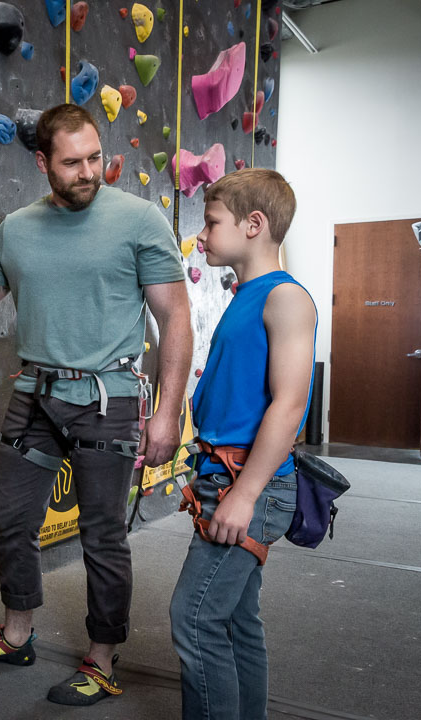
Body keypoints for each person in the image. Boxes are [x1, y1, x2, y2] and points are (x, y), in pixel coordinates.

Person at [0, 104, 192, 706]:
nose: (88, 172)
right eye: (72, 162)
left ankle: (104, 661)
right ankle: (16, 634)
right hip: (35, 396)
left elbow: (174, 316)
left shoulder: (139, 220)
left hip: (108, 400)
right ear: (42, 162)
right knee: (11, 521)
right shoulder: (17, 228)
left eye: (94, 158)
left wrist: (167, 411)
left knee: (102, 536)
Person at [169, 168, 316, 720]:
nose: (201, 236)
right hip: (223, 476)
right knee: (233, 619)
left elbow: (289, 403)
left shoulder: (285, 298)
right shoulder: (247, 294)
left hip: (246, 484)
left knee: (194, 617)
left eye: (211, 222)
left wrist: (245, 494)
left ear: (254, 224)